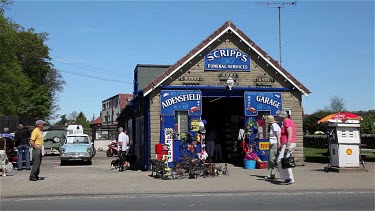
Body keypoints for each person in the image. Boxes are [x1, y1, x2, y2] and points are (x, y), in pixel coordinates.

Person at [276, 110, 296, 184]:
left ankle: (290, 178)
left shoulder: (287, 121)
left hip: (288, 143)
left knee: (285, 160)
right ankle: (286, 178)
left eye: (278, 116)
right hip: (285, 143)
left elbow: (290, 133)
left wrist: (287, 145)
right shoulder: (284, 122)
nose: (277, 117)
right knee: (280, 160)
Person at [266, 115, 281, 179]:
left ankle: (278, 171)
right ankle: (270, 174)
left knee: (272, 159)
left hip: (274, 143)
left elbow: (278, 134)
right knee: (270, 159)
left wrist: (278, 143)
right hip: (272, 143)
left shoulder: (274, 125)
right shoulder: (273, 126)